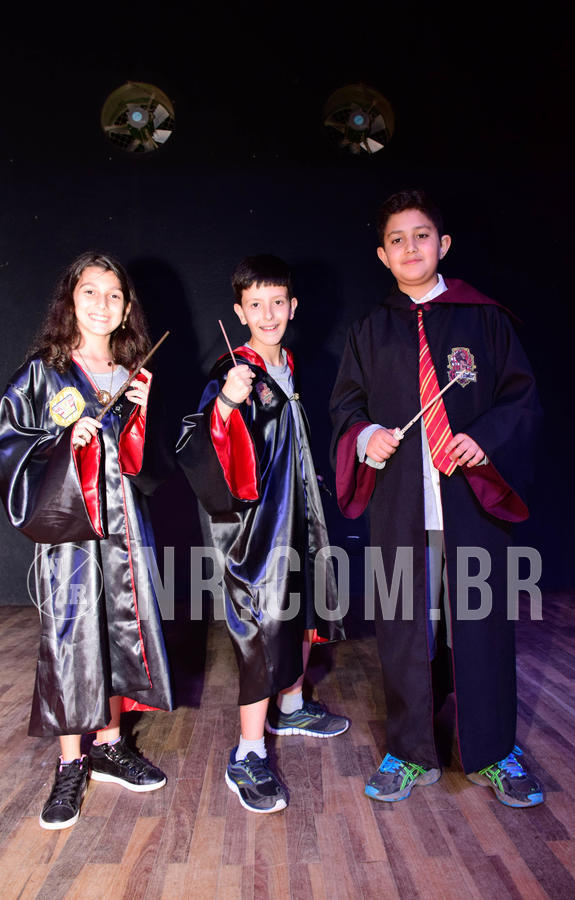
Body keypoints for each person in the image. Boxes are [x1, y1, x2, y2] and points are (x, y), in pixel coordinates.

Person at [329, 189, 544, 808]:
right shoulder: (369, 332)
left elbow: (521, 400)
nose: (410, 247)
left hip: (471, 500)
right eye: (396, 240)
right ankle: (409, 751)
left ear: (443, 244)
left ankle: (494, 751)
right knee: (404, 628)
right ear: (382, 255)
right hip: (404, 504)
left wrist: (485, 438)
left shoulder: (484, 320)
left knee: (483, 625)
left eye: (421, 235)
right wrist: (366, 436)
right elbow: (346, 408)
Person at [0, 251, 173, 830]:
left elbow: (146, 469)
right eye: (90, 291)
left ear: (127, 308)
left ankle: (110, 745)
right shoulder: (44, 372)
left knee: (118, 634)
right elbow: (8, 444)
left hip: (123, 530)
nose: (102, 304)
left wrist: (141, 419)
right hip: (70, 532)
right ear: (70, 300)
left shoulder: (131, 374)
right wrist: (61, 440)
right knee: (72, 638)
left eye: (114, 295)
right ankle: (71, 762)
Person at [177, 254, 348, 813]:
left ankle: (292, 706)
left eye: (278, 303)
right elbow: (201, 442)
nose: (268, 314)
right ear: (239, 311)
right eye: (256, 305)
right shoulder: (231, 372)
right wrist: (227, 400)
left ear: (293, 307)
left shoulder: (289, 365)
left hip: (299, 514)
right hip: (256, 530)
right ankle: (248, 753)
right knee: (262, 628)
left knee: (301, 610)